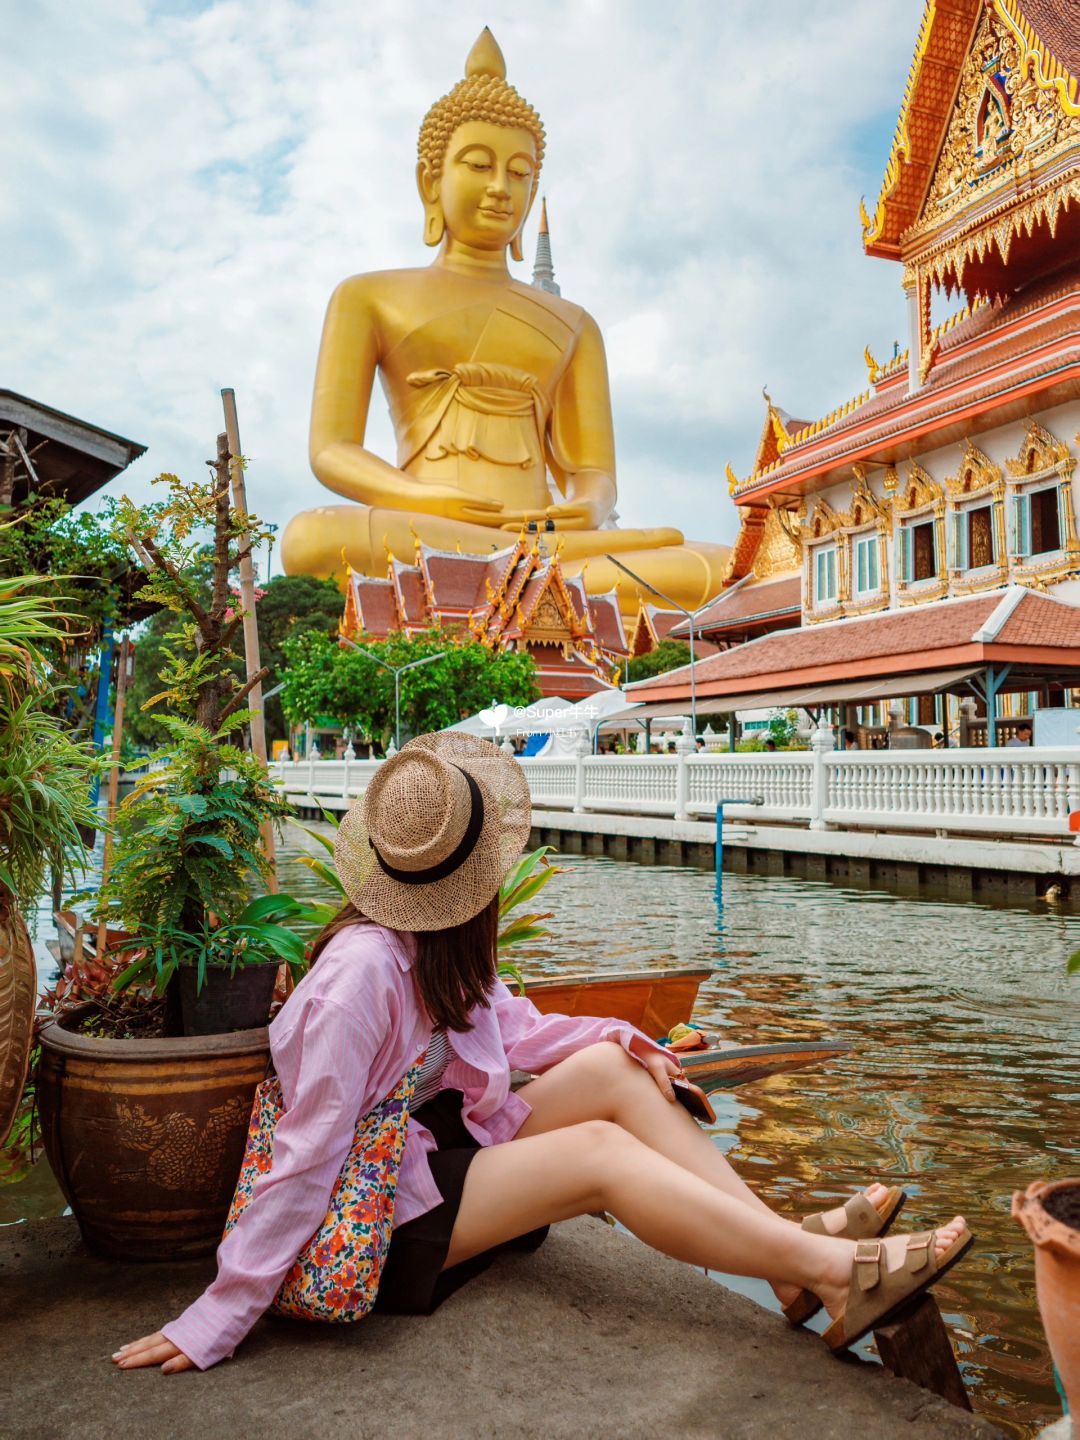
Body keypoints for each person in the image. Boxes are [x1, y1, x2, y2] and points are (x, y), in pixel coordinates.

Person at [112, 734, 970, 1375]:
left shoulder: (434, 947)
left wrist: (631, 1040)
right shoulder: (357, 976)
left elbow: (514, 1028)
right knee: (598, 1155)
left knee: (611, 1070)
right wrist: (223, 1311)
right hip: (369, 1220)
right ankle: (831, 1270)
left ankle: (787, 1264)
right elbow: (307, 1150)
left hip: (425, 1155)